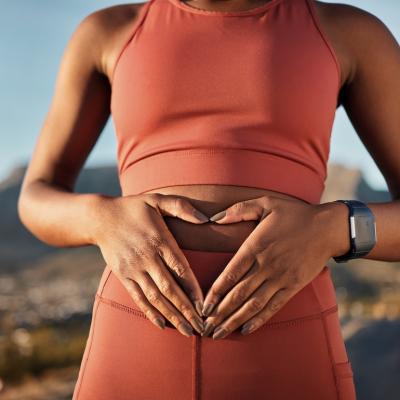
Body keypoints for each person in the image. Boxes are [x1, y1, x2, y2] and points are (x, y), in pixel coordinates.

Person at [17, 0, 400, 399]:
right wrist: (100, 219)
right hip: (131, 345)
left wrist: (334, 228)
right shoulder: (107, 31)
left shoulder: (350, 33)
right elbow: (36, 196)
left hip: (289, 348)